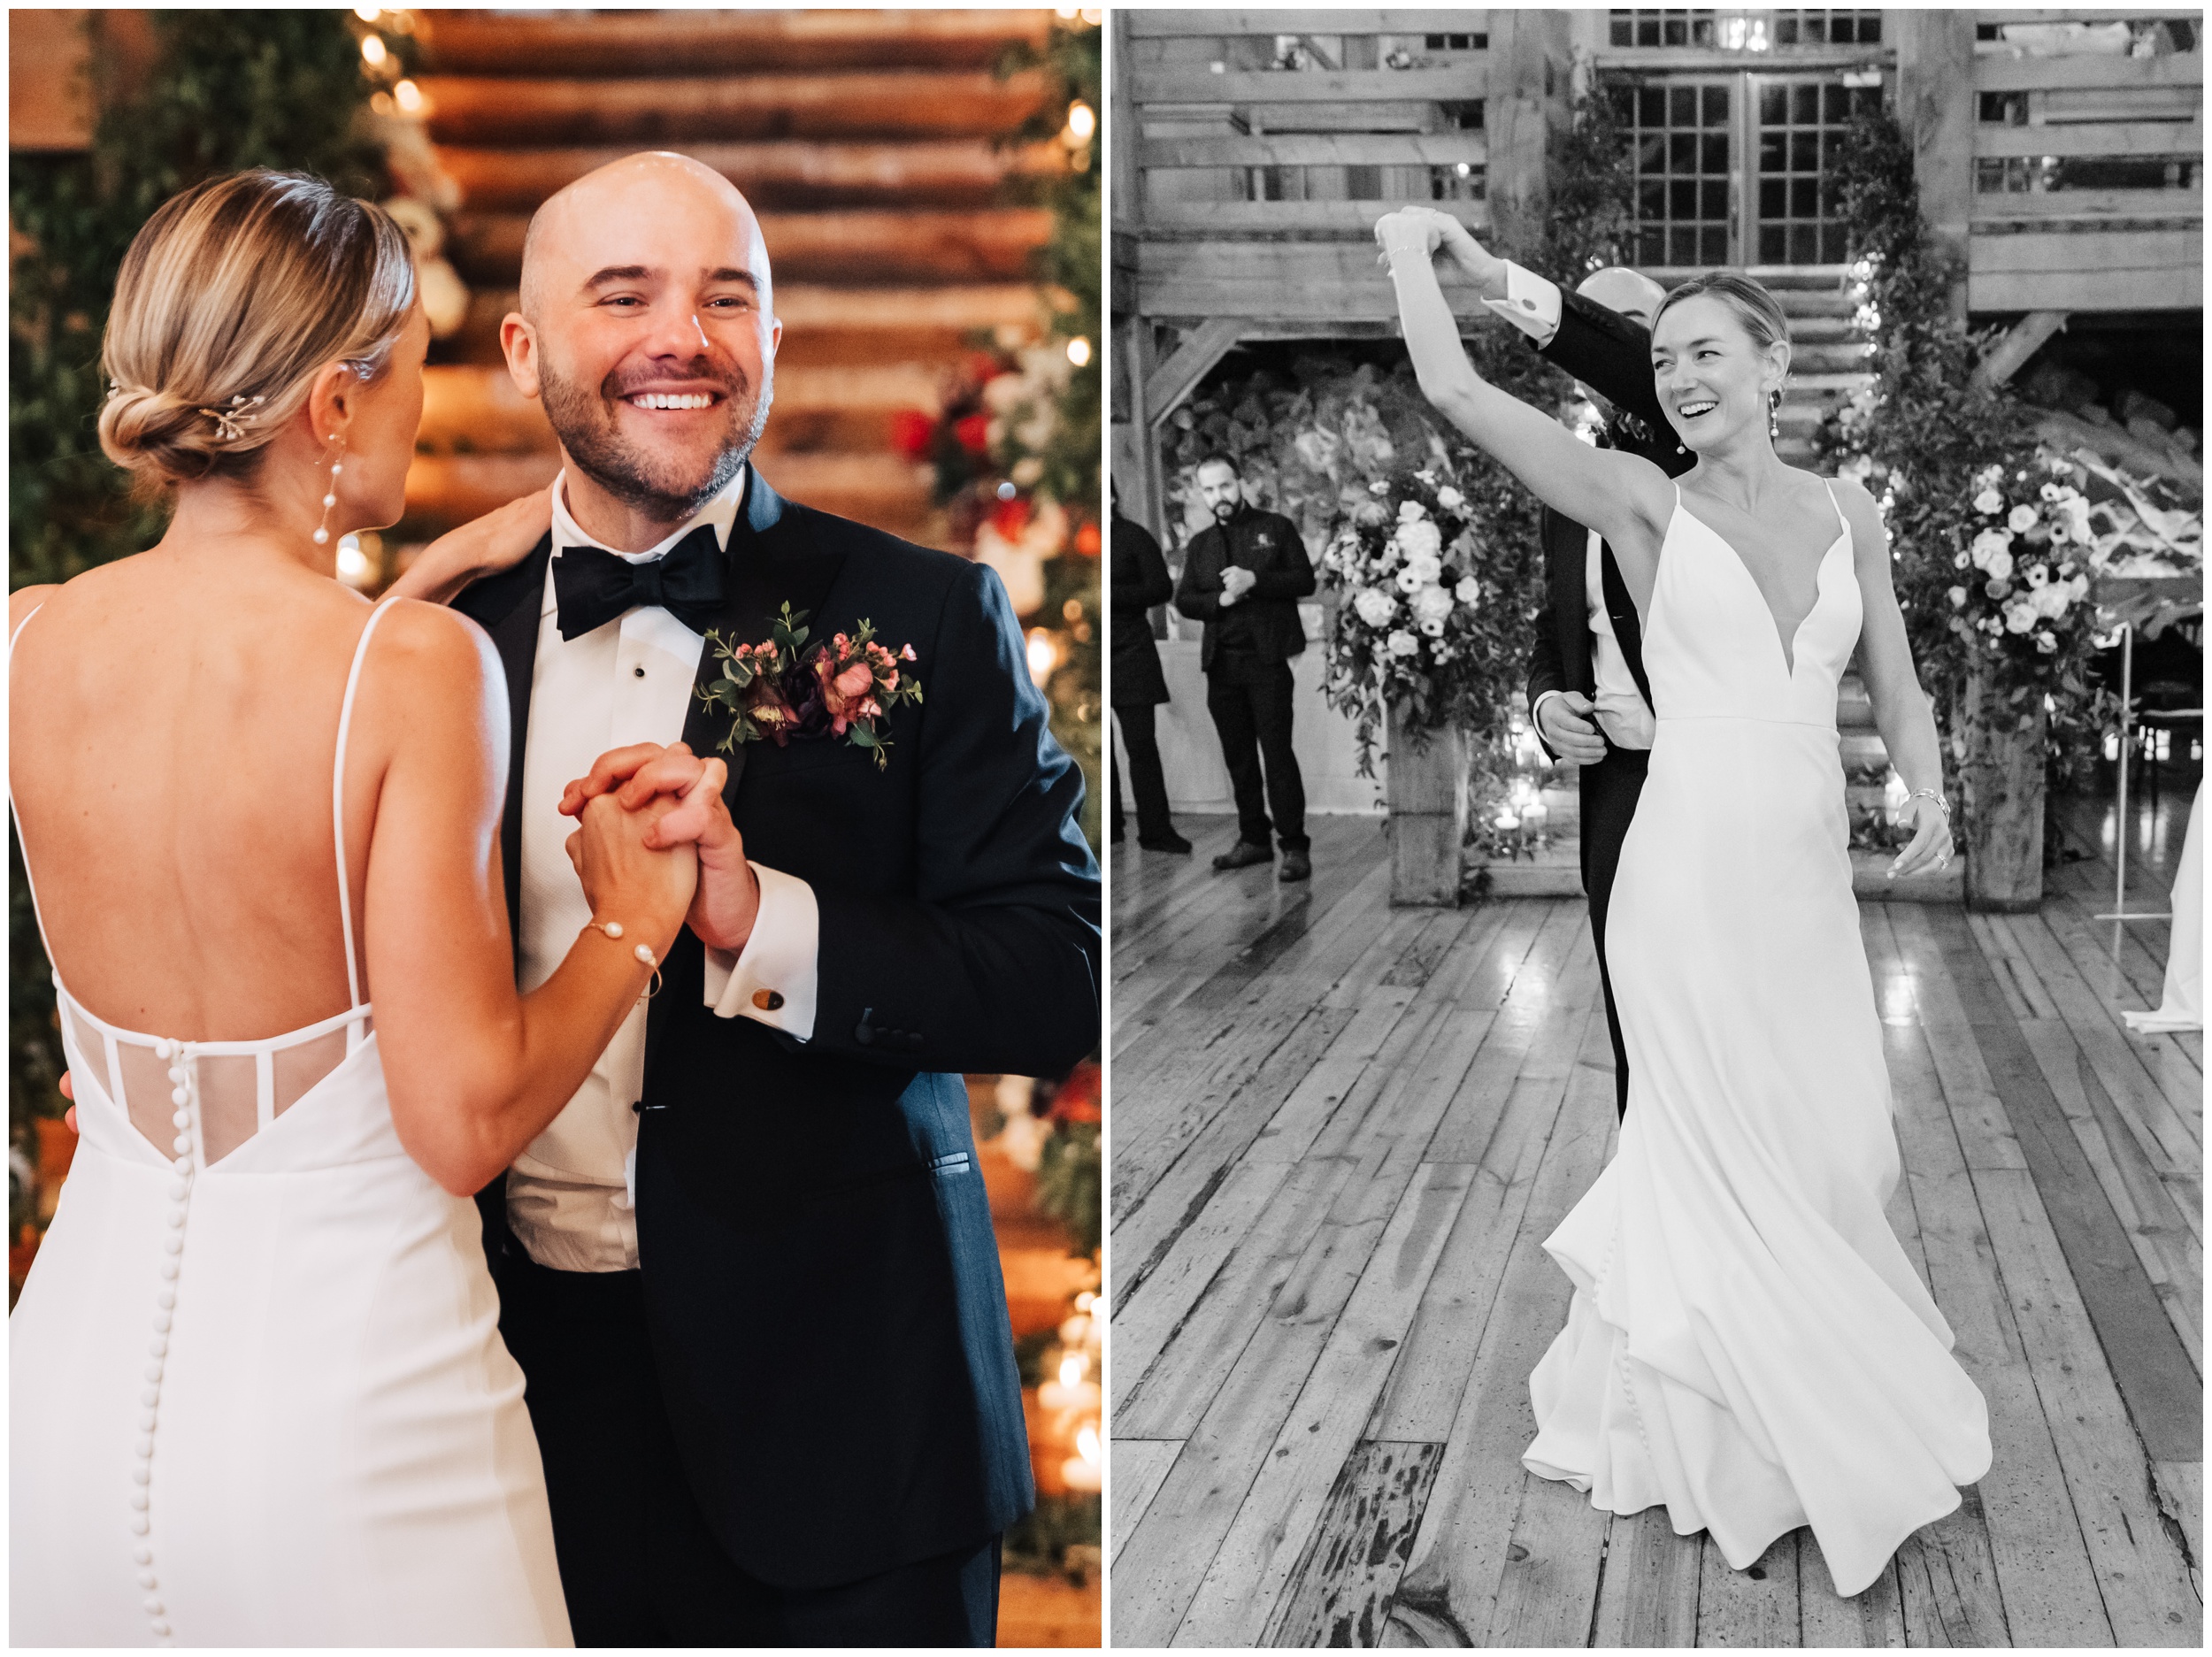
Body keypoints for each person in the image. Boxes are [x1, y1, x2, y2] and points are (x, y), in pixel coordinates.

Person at [387, 151, 1101, 1645]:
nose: (684, 337)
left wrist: (755, 914)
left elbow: (1059, 972)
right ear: (523, 350)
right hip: (500, 1406)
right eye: (625, 294)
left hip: (852, 1420)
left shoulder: (924, 614)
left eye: (729, 296)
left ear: (770, 340)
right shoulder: (435, 643)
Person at [9, 168, 696, 1645]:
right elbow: (462, 1115)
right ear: (330, 404)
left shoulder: (26, 641)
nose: (420, 415)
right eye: (408, 377)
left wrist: (412, 589)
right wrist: (633, 922)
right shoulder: (412, 677)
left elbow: (220, 726)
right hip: (355, 1426)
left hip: (60, 1406)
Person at [1377, 205, 1990, 1598]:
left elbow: (1889, 676)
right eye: (1669, 367)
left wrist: (1931, 789)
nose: (1684, 380)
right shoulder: (1640, 499)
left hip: (1804, 878)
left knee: (1822, 1134)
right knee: (1710, 1140)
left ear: (1774, 365)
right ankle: (1722, 1422)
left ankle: (1762, 1362)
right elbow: (1457, 392)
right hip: (1684, 872)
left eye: (1710, 354)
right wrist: (1419, 257)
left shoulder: (1851, 511)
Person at [1490, 250, 1694, 1120]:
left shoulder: (1703, 463)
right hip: (1612, 777)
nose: (1603, 351)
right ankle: (1641, 1177)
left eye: (1626, 333)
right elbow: (1553, 628)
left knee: (1706, 990)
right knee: (1624, 991)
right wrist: (1545, 705)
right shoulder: (1563, 482)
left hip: (1704, 773)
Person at [1172, 453, 1317, 882]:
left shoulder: (1276, 528)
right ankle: (1253, 838)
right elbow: (1184, 600)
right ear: (1203, 494)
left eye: (1225, 486)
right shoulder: (1199, 545)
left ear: (1240, 484)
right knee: (1238, 759)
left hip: (1268, 662)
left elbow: (1304, 581)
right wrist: (1218, 601)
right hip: (1222, 666)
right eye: (1210, 490)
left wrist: (1256, 582)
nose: (1219, 496)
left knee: (1277, 756)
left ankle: (1294, 846)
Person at [1110, 486, 1190, 853]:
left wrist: (1112, 595)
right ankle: (1108, 826)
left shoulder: (1133, 536)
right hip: (1092, 648)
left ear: (1112, 497)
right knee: (1098, 746)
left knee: (1140, 744)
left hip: (1131, 650)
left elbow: (1160, 588)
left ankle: (1155, 830)